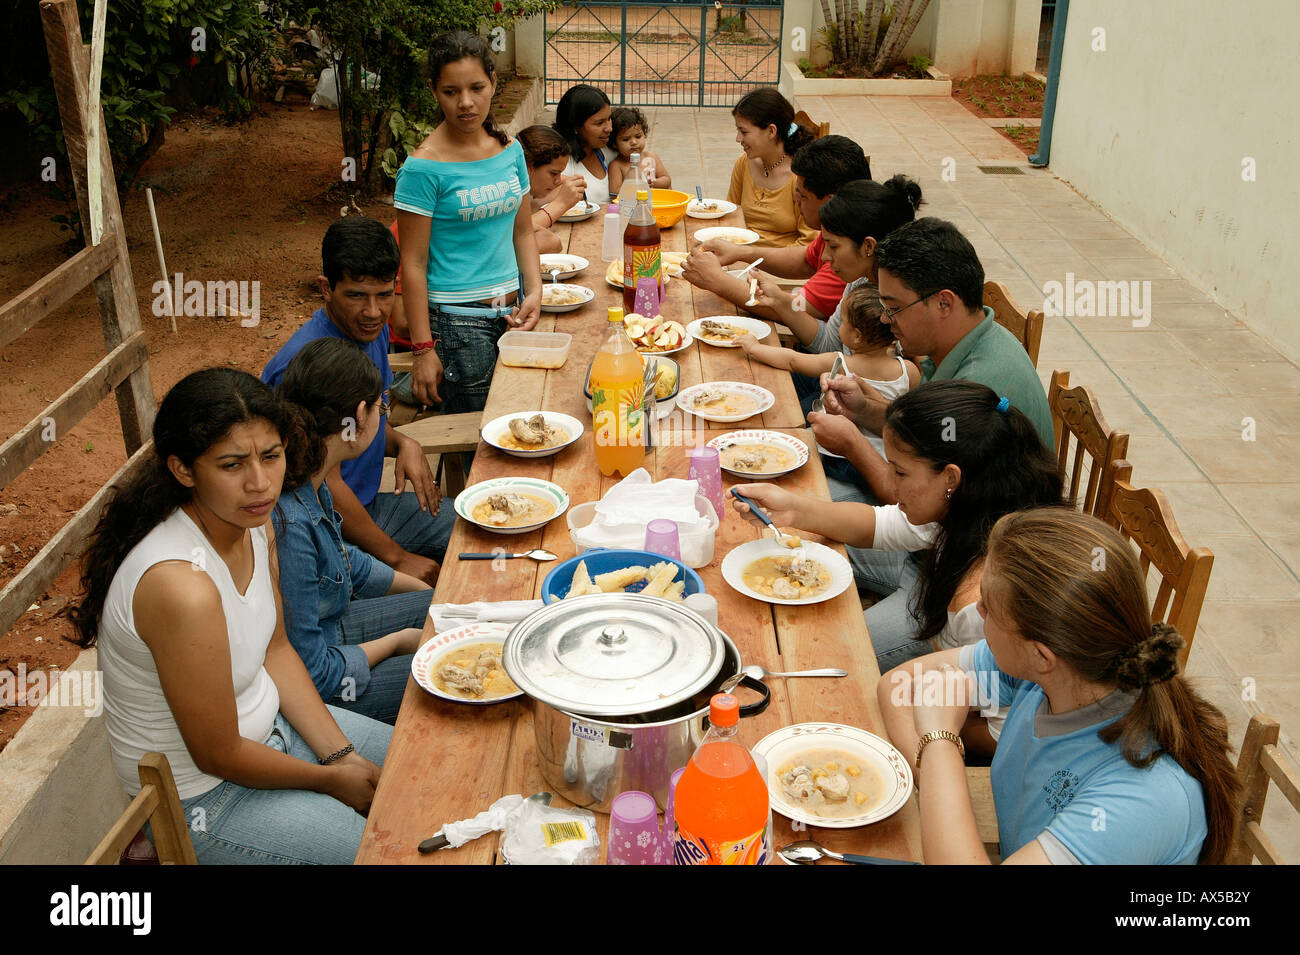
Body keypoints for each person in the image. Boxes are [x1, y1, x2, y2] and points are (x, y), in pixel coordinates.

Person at [69, 369, 393, 865]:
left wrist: (339, 754)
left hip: (279, 733)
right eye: (231, 464)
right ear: (183, 470)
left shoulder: (258, 527)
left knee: (428, 775)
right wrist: (331, 778)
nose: (259, 483)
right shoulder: (181, 588)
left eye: (271, 456)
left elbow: (277, 650)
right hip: (205, 798)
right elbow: (216, 753)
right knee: (390, 851)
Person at [878, 508, 1240, 864]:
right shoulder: (1048, 669)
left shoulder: (1143, 800)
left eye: (987, 606)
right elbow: (897, 685)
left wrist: (939, 743)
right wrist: (943, 802)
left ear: (1042, 656)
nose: (978, 613)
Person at [732, 380, 1062, 672]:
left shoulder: (982, 605)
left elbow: (989, 721)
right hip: (932, 599)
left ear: (950, 477)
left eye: (900, 472)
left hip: (943, 682)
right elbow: (881, 525)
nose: (889, 481)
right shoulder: (971, 503)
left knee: (822, 658)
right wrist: (789, 508)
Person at [262, 217, 452, 588]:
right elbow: (319, 479)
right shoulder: (303, 364)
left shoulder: (370, 330)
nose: (373, 311)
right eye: (356, 295)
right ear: (325, 289)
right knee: (432, 605)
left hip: (369, 506)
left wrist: (402, 443)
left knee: (487, 528)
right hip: (326, 532)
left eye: (384, 294)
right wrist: (397, 558)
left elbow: (368, 416)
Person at [813, 217, 1055, 506]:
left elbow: (913, 505)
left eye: (894, 308)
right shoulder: (972, 338)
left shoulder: (975, 387)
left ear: (944, 303)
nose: (883, 318)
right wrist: (863, 410)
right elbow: (926, 433)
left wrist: (852, 442)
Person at [274, 339, 434, 725]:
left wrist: (431, 594)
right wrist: (397, 641)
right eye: (383, 408)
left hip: (332, 629)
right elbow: (317, 674)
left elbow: (346, 564)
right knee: (462, 669)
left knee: (457, 617)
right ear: (360, 415)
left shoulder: (310, 473)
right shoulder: (290, 523)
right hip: (322, 686)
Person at [395, 31, 542, 413]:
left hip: (515, 315)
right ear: (433, 91)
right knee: (478, 442)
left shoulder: (510, 149)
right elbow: (412, 263)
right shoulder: (423, 168)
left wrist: (535, 291)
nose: (465, 103)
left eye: (477, 87)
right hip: (458, 327)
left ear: (494, 82)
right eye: (450, 91)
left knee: (522, 423)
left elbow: (523, 231)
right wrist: (423, 350)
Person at [683, 134, 870, 324]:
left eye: (803, 196)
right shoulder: (841, 229)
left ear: (830, 202)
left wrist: (718, 280)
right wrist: (741, 252)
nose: (796, 201)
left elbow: (795, 309)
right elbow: (806, 260)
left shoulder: (849, 254)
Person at [736, 283, 919, 458]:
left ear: (856, 336)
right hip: (884, 456)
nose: (839, 326)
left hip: (839, 456)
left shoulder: (840, 363)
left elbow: (792, 361)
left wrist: (754, 348)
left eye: (843, 322)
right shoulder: (909, 370)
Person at [726, 88, 817, 247]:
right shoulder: (744, 163)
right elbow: (730, 216)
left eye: (744, 132)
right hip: (740, 257)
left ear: (771, 131)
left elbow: (809, 244)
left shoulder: (801, 177)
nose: (738, 139)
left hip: (783, 267)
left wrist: (756, 260)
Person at [517, 124, 587, 254]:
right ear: (529, 166)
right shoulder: (507, 193)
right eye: (554, 173)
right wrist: (561, 203)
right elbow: (519, 231)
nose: (558, 180)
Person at [552, 83, 615, 204]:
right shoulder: (562, 166)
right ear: (576, 126)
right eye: (599, 123)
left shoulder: (609, 151)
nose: (609, 128)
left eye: (609, 119)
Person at [606, 106, 671, 195]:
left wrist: (654, 183)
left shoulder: (651, 157)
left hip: (657, 202)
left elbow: (667, 179)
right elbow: (614, 193)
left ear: (644, 134)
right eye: (626, 139)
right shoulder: (617, 166)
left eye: (638, 136)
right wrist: (636, 187)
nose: (633, 142)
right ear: (614, 143)